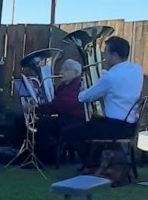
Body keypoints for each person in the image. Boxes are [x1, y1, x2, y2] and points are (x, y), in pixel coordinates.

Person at [61, 36, 144, 166]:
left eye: (106, 53)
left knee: (70, 132)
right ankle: (96, 162)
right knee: (90, 125)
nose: (103, 56)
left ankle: (91, 164)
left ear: (114, 55)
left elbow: (85, 97)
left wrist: (82, 89)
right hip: (131, 126)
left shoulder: (111, 77)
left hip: (114, 127)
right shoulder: (137, 70)